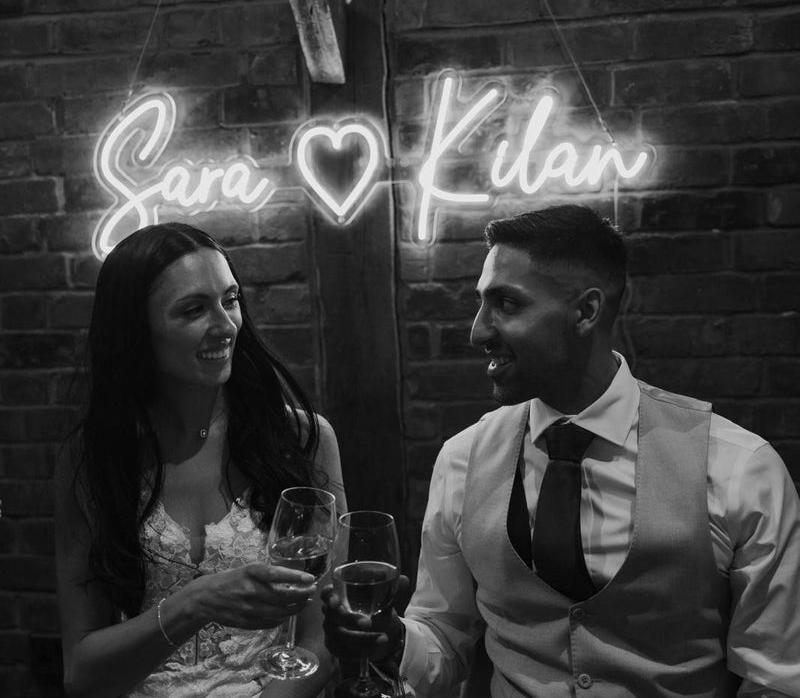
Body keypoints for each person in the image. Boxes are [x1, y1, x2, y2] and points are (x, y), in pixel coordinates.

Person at [322, 203, 800, 697]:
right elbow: (444, 636)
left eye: (506, 305)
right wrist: (395, 641)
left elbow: (777, 678)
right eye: (481, 304)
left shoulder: (740, 467)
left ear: (586, 311)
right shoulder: (463, 459)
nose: (478, 331)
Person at [55, 222, 346, 698]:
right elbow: (82, 675)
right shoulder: (93, 458)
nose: (227, 324)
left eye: (230, 300)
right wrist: (193, 603)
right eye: (194, 309)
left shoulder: (301, 439)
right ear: (136, 332)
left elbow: (320, 640)